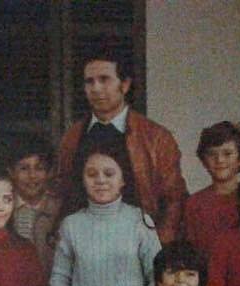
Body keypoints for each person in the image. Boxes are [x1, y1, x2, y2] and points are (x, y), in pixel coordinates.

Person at [56, 41, 186, 244]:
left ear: (124, 85)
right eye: (89, 81)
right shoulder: (72, 137)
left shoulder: (156, 137)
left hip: (137, 248)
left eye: (104, 79)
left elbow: (174, 200)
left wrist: (158, 248)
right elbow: (63, 194)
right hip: (84, 247)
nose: (96, 88)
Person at [50, 134, 162, 286]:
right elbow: (59, 280)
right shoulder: (71, 224)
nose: (100, 180)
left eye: (109, 174)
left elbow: (156, 278)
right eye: (92, 174)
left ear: (123, 180)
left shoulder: (139, 220)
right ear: (82, 179)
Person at [184, 121, 240, 255]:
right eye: (212, 154)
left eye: (227, 153)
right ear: (203, 160)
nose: (219, 160)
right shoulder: (194, 204)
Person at [7, 135, 61, 277]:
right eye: (24, 168)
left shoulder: (60, 210)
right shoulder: (3, 209)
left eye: (39, 168)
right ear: (11, 172)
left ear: (50, 173)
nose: (32, 176)